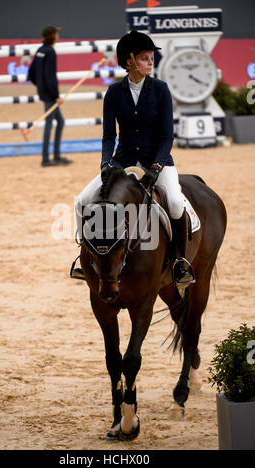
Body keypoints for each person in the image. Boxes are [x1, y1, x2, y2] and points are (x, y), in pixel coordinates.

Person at [71, 30, 194, 285]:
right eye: (145, 58)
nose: (151, 62)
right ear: (130, 61)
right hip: (122, 160)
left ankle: (180, 262)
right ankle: (84, 258)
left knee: (174, 203)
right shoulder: (114, 93)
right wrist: (106, 162)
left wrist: (157, 166)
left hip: (157, 161)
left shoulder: (161, 90)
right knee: (82, 200)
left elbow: (167, 137)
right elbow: (108, 136)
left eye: (151, 58)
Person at [28, 25, 72, 167]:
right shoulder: (50, 52)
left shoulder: (40, 50)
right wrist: (55, 95)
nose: (58, 36)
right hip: (50, 94)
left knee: (60, 121)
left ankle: (57, 156)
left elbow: (31, 73)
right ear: (52, 36)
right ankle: (46, 159)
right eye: (56, 34)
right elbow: (50, 76)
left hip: (44, 92)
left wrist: (40, 86)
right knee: (49, 124)